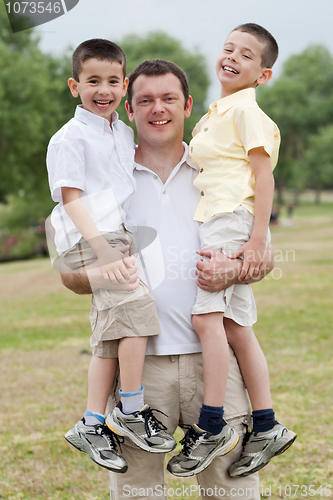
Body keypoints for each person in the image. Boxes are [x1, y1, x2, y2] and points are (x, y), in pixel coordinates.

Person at [60, 59, 275, 500]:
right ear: (130, 109)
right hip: (139, 373)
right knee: (138, 494)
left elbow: (263, 257)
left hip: (214, 365)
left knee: (232, 493)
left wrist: (232, 270)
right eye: (145, 100)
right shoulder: (105, 180)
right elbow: (68, 274)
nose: (158, 109)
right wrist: (107, 273)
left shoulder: (220, 171)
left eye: (169, 98)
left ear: (188, 106)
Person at [169, 24, 296, 479]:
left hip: (231, 220)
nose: (232, 57)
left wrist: (259, 238)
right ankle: (266, 425)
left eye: (246, 55)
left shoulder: (246, 112)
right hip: (222, 219)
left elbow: (264, 176)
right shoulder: (217, 111)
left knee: (206, 319)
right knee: (236, 326)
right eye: (228, 48)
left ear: (262, 75)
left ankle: (212, 424)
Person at [46, 39, 176, 474]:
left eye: (113, 81)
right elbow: (70, 199)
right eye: (92, 81)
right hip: (91, 236)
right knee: (138, 306)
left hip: (115, 233)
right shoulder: (70, 138)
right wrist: (103, 251)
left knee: (110, 335)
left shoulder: (119, 131)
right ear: (74, 85)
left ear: (124, 85)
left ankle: (91, 421)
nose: (103, 89)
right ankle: (131, 408)